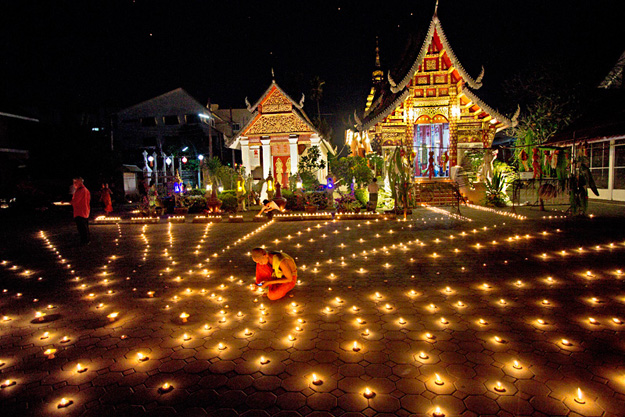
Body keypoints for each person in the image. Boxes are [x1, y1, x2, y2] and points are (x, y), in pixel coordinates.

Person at [71, 177, 91, 245]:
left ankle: (85, 241)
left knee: (82, 227)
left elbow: (75, 201)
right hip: (84, 211)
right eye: (73, 182)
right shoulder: (85, 190)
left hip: (80, 212)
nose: (74, 184)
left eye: (76, 182)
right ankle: (86, 240)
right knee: (84, 227)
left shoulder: (81, 190)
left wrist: (68, 202)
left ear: (80, 182)